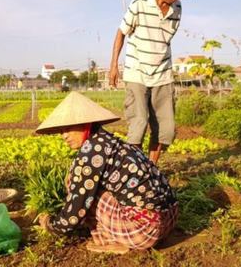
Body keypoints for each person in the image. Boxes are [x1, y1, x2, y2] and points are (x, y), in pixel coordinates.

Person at [36, 92, 178, 254]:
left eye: (68, 128)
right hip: (170, 220)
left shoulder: (90, 154)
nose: (64, 136)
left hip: (144, 232)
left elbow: (75, 209)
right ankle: (119, 234)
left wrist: (52, 224)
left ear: (86, 124)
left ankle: (112, 240)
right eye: (61, 131)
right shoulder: (111, 142)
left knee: (78, 186)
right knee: (88, 185)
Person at [108, 0, 192, 166]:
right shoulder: (140, 2)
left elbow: (165, 39)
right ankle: (134, 170)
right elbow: (121, 32)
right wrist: (114, 65)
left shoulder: (177, 9)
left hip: (163, 73)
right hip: (137, 71)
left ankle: (150, 170)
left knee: (166, 128)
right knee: (139, 123)